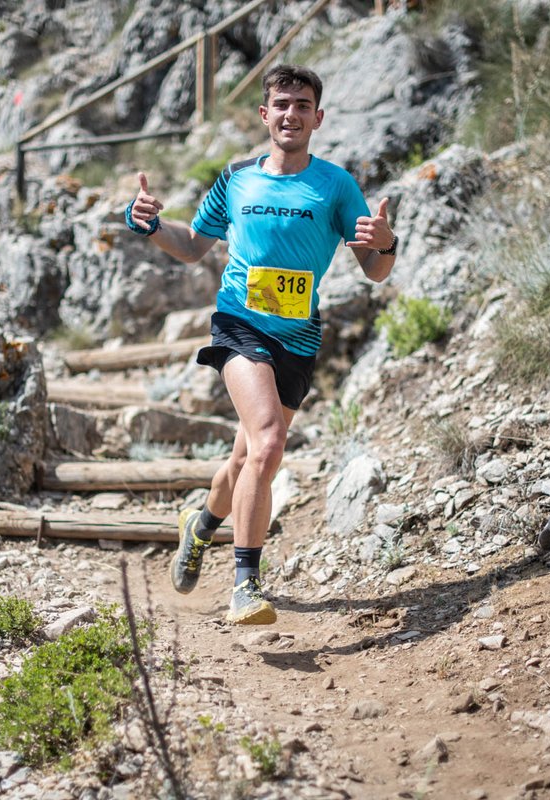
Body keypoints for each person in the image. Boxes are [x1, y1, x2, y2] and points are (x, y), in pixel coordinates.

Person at [124, 64, 397, 624]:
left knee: (247, 457)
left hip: (297, 338)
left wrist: (386, 244)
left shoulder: (336, 185)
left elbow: (373, 269)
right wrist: (151, 226)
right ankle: (246, 584)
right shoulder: (238, 178)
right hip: (239, 327)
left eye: (302, 105)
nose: (291, 114)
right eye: (282, 104)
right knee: (270, 443)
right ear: (264, 114)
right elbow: (195, 244)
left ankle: (199, 524)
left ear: (317, 118)